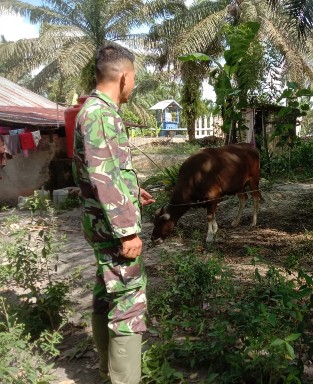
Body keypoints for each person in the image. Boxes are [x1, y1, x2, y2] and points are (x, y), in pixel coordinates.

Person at [73, 43, 155, 384]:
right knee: (128, 303)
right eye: (133, 78)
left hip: (103, 224)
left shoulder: (97, 111)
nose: (133, 85)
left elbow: (106, 170)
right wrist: (127, 231)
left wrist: (133, 190)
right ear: (123, 78)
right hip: (113, 231)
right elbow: (102, 177)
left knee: (107, 292)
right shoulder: (99, 114)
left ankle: (108, 372)